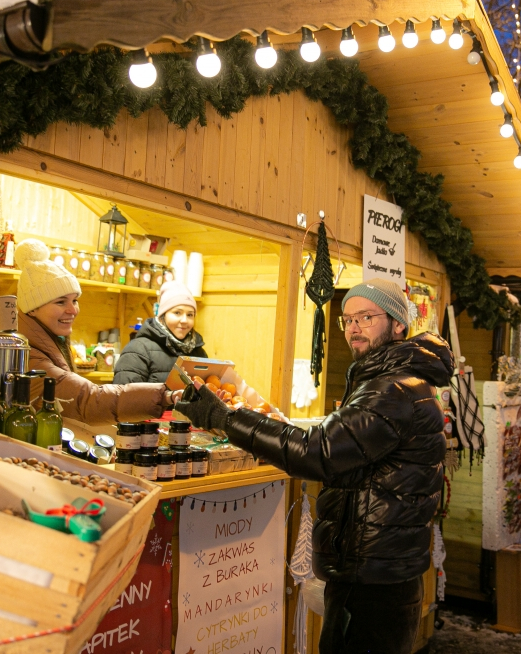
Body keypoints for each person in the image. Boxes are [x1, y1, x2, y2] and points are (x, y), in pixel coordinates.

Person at [175, 279, 453, 654]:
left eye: (366, 317)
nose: (353, 327)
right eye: (348, 319)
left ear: (398, 324)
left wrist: (226, 419)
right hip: (381, 568)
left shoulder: (392, 389)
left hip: (373, 574)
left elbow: (318, 452)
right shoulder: (396, 380)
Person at [14, 239, 176, 428]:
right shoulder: (28, 356)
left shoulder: (50, 343)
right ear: (32, 309)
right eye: (60, 302)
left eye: (74, 300)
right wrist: (166, 395)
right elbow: (88, 400)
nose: (73, 310)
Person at [113, 280, 206, 384]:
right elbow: (126, 397)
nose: (184, 320)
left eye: (190, 315)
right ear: (162, 316)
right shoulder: (138, 350)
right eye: (177, 313)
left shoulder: (199, 352)